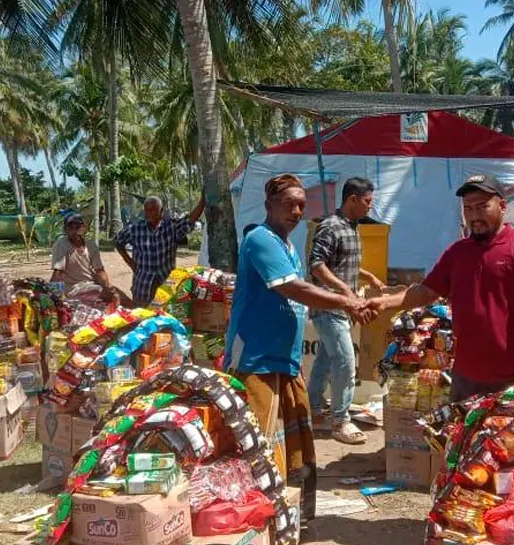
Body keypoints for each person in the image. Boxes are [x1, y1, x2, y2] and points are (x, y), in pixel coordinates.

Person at [224, 173, 374, 520]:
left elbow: (300, 286)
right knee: (254, 443)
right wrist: (346, 302)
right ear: (268, 206)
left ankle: (294, 516)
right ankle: (255, 518)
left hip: (286, 361)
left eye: (301, 205)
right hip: (255, 360)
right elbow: (291, 288)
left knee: (298, 441)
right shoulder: (260, 239)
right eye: (288, 203)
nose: (295, 210)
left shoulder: (289, 246)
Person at [368, 173, 514, 403]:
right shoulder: (458, 253)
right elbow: (426, 291)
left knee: (508, 439)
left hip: (513, 376)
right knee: (462, 437)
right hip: (465, 375)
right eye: (468, 209)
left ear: (502, 206)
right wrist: (385, 302)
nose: (475, 216)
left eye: (482, 207)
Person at [307, 177, 385, 445]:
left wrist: (368, 278)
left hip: (339, 305)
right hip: (328, 305)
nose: (369, 207)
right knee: (345, 361)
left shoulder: (351, 227)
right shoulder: (331, 226)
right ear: (352, 199)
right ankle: (340, 421)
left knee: (327, 359)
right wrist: (345, 292)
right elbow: (317, 265)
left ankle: (315, 409)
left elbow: (342, 263)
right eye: (367, 201)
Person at [115, 195, 206, 305]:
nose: (149, 213)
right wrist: (130, 263)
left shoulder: (171, 227)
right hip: (142, 287)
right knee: (141, 319)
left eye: (153, 210)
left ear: (161, 211)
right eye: (147, 210)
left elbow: (190, 220)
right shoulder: (135, 229)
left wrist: (202, 202)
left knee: (165, 319)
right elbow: (118, 242)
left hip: (166, 286)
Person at [51, 213, 130, 304]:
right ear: (66, 230)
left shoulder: (91, 245)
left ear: (83, 228)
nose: (75, 230)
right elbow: (57, 273)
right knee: (110, 297)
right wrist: (51, 294)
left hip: (91, 284)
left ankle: (139, 313)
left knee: (119, 296)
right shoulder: (61, 244)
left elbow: (99, 270)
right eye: (71, 227)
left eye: (78, 226)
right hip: (74, 288)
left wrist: (107, 286)